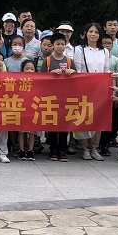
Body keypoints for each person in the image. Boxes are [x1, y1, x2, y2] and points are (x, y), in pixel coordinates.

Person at [73, 22, 110, 160]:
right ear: (85, 34)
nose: (93, 34)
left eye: (96, 32)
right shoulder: (79, 49)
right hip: (84, 89)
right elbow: (78, 70)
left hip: (100, 90)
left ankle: (94, 147)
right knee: (85, 117)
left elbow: (106, 70)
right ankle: (84, 148)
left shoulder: (104, 51)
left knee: (98, 119)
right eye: (90, 32)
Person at [42, 33, 74, 161]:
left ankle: (63, 149)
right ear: (52, 46)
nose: (60, 47)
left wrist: (72, 72)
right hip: (51, 97)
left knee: (64, 123)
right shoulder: (48, 61)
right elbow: (41, 78)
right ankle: (53, 149)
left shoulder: (69, 61)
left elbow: (77, 78)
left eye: (63, 44)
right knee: (53, 124)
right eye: (58, 44)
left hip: (66, 97)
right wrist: (51, 73)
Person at [18, 59, 37, 158]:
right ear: (22, 70)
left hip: (33, 109)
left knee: (32, 132)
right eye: (27, 69)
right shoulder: (18, 82)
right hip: (22, 108)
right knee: (21, 132)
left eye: (32, 69)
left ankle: (30, 150)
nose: (29, 71)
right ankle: (21, 150)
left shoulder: (38, 81)